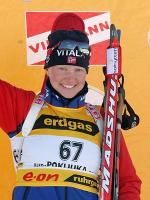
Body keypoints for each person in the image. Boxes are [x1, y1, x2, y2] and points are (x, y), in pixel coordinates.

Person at [0, 13, 141, 200]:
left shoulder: (102, 120)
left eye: (78, 70)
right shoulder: (24, 107)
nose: (70, 77)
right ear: (48, 69)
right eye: (62, 68)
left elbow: (127, 182)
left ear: (86, 72)